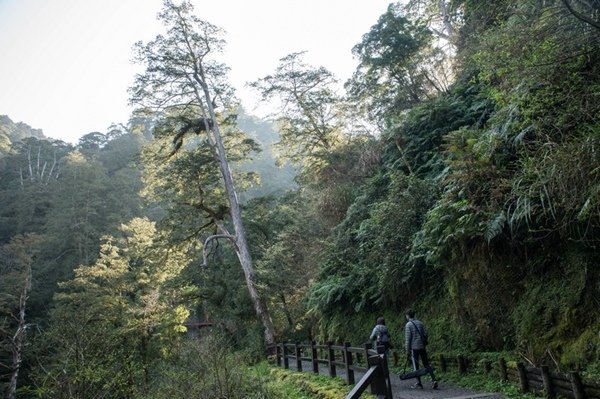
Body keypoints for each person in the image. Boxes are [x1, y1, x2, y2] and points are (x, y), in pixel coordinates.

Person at [404, 309, 438, 389]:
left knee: (416, 366)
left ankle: (419, 383)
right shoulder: (420, 323)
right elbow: (425, 333)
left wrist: (407, 350)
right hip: (422, 346)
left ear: (408, 316)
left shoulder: (408, 325)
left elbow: (408, 339)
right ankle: (434, 380)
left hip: (414, 348)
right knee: (426, 364)